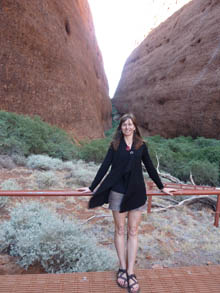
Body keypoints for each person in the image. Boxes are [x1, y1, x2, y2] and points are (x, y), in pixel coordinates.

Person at [78, 113, 175, 293]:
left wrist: (162, 187)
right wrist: (92, 187)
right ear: (120, 127)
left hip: (137, 192)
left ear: (135, 127)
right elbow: (104, 166)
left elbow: (151, 168)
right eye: (124, 125)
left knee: (133, 230)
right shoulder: (114, 145)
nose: (127, 127)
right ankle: (122, 268)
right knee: (120, 230)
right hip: (117, 191)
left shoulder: (141, 146)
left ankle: (131, 272)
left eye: (130, 125)